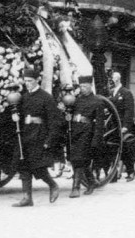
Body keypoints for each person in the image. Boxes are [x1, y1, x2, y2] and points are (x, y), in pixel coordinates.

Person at [10, 68, 63, 206]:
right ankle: (27, 197)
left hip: (39, 135)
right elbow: (19, 114)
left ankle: (53, 185)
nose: (27, 84)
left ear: (37, 80)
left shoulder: (46, 97)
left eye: (30, 81)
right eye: (25, 81)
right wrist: (15, 117)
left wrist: (49, 140)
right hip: (25, 134)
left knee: (38, 166)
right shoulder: (24, 97)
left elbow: (54, 120)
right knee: (23, 165)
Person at [66, 76, 104, 198]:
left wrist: (96, 140)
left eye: (85, 86)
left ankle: (75, 188)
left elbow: (99, 124)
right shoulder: (77, 100)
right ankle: (91, 181)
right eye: (81, 86)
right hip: (75, 131)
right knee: (79, 159)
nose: (83, 89)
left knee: (78, 158)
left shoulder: (97, 101)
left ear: (90, 86)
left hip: (87, 132)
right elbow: (70, 113)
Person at [108, 71, 135, 182]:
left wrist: (126, 126)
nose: (112, 81)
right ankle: (113, 175)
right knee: (112, 149)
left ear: (118, 79)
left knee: (125, 150)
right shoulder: (111, 92)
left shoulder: (126, 93)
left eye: (114, 79)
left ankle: (130, 171)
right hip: (112, 126)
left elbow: (129, 111)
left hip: (122, 125)